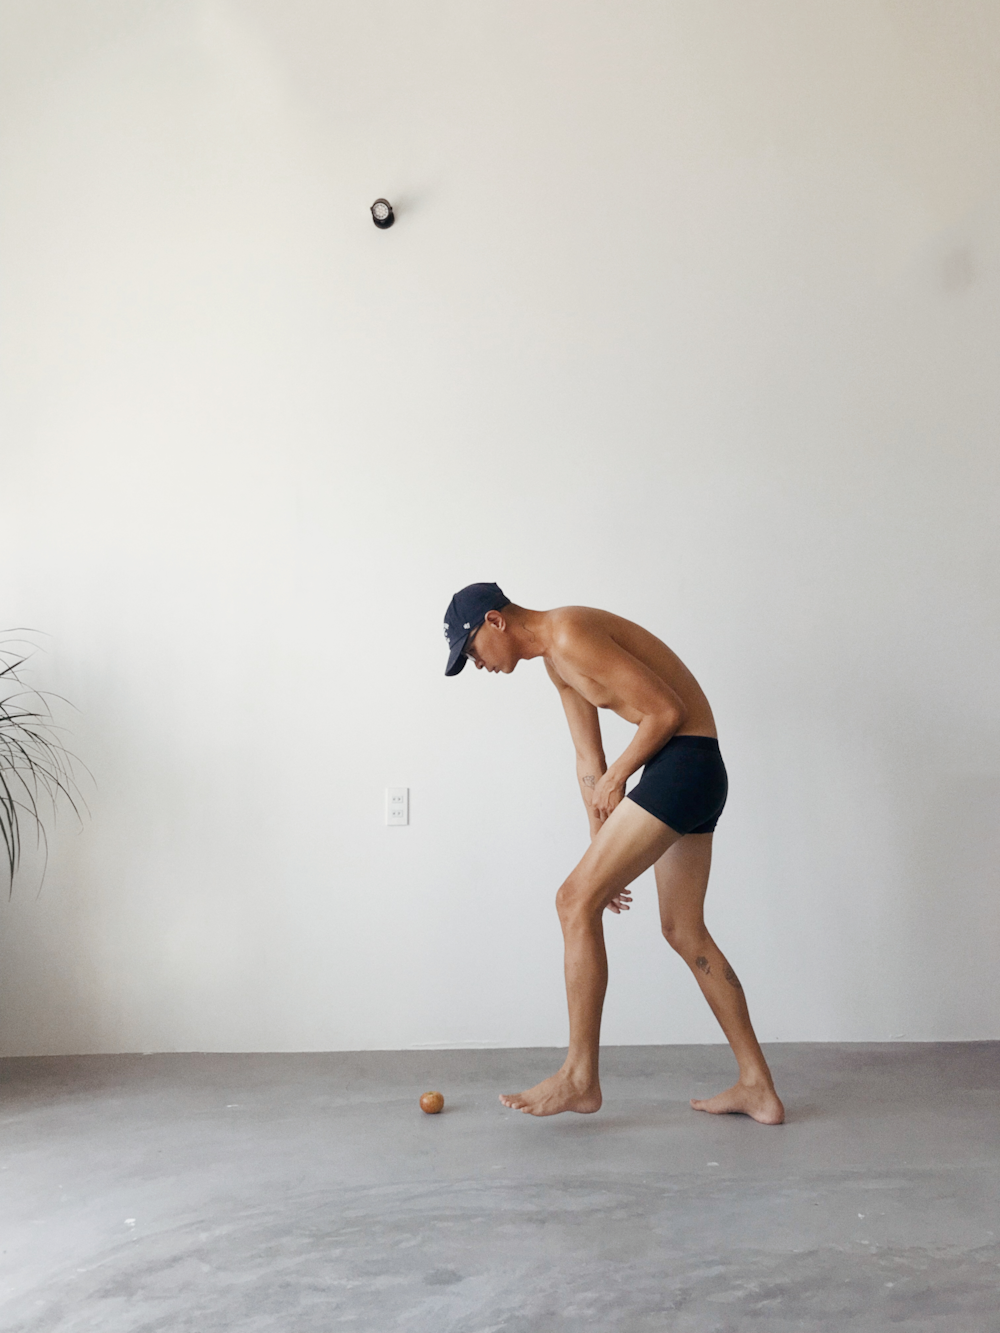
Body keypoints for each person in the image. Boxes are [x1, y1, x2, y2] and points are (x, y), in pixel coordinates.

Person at [443, 582, 784, 1124]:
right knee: (682, 929)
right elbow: (588, 759)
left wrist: (619, 779)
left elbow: (665, 712)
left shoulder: (570, 632)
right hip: (686, 772)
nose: (475, 663)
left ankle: (580, 1079)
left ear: (495, 621)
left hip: (684, 764)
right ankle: (758, 1087)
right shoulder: (556, 663)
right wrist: (602, 842)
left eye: (471, 649)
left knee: (572, 902)